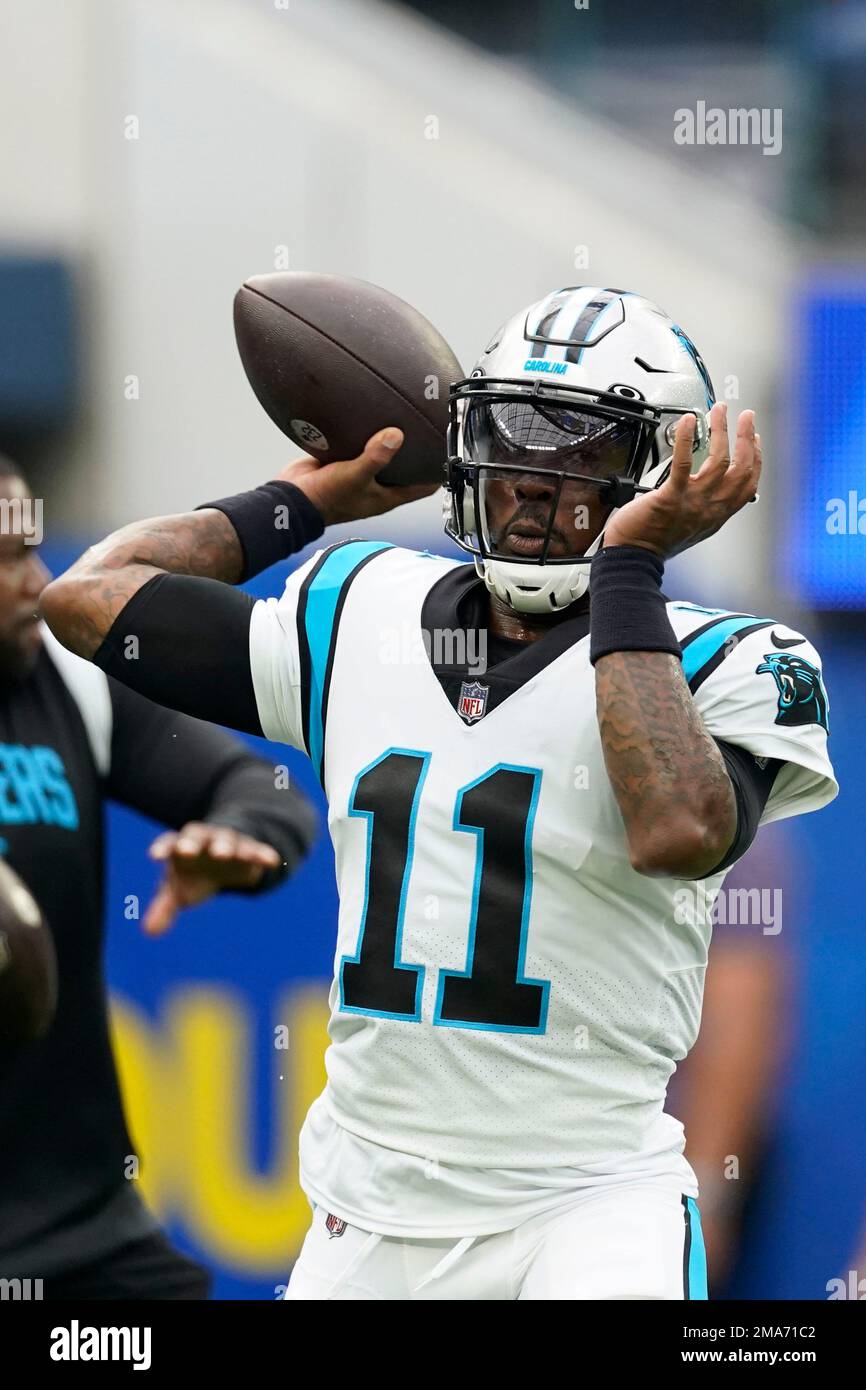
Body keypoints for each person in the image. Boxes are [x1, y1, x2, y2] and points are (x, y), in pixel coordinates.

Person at [40, 286, 838, 1301]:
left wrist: (630, 566)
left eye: (574, 455)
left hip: (585, 1205)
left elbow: (676, 825)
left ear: (654, 473)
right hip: (367, 1203)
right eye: (511, 442)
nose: (529, 484)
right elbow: (87, 598)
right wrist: (300, 501)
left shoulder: (731, 657)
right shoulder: (361, 603)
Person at [0, 452, 318, 1299]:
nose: (37, 580)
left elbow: (264, 791)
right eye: (6, 559)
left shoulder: (61, 681)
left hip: (85, 1233)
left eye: (32, 548)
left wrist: (235, 839)